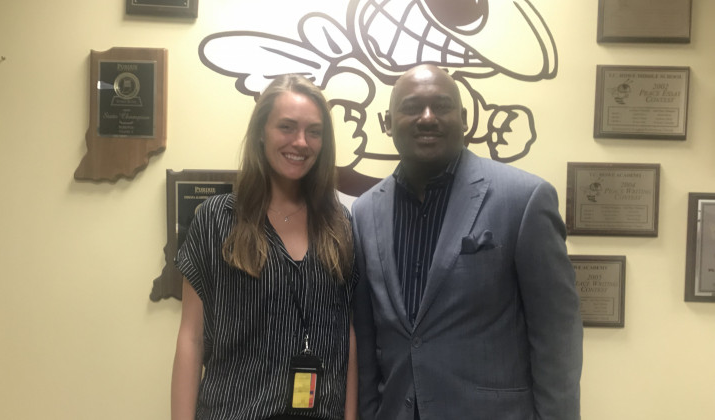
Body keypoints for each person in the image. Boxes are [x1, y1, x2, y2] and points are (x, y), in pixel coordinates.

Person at [351, 64, 583, 419]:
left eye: (441, 106)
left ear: (464, 119)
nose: (427, 118)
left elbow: (557, 338)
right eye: (411, 107)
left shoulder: (524, 199)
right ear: (387, 121)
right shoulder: (365, 211)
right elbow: (367, 343)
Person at [171, 74, 358, 420]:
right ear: (261, 132)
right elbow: (191, 338)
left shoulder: (340, 225)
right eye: (286, 127)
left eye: (313, 131)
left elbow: (348, 336)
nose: (300, 142)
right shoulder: (217, 219)